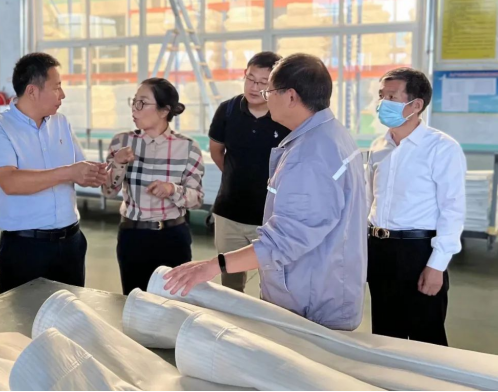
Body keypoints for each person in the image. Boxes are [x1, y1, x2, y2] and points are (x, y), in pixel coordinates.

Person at [164, 54, 368, 331]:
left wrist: (214, 265)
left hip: (309, 304)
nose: (264, 96)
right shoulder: (330, 135)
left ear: (291, 96)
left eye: (269, 90)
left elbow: (286, 240)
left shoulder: (309, 157)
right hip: (324, 284)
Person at [0, 52, 108, 294]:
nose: (63, 94)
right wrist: (68, 172)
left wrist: (107, 168)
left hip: (71, 244)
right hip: (26, 249)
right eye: (57, 87)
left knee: (70, 313)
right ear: (32, 91)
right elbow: (10, 182)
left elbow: (81, 171)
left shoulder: (61, 123)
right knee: (25, 316)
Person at [366, 68, 467, 346]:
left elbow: (452, 210)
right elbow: (369, 200)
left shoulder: (441, 148)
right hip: (380, 249)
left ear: (416, 105)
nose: (382, 103)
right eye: (381, 96)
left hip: (418, 251)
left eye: (391, 97)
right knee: (385, 336)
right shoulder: (378, 146)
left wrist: (437, 265)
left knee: (426, 338)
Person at [102, 78, 205, 296]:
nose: (134, 108)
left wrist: (172, 190)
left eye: (142, 102)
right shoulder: (121, 142)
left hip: (172, 237)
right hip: (132, 236)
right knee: (134, 299)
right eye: (134, 101)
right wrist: (118, 163)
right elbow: (108, 191)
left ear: (164, 111)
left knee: (174, 303)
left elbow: (197, 199)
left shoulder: (188, 147)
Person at [209, 52, 291, 292]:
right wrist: (239, 176)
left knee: (274, 283)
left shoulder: (284, 116)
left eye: (263, 82)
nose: (254, 88)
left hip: (270, 217)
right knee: (230, 284)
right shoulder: (227, 110)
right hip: (229, 214)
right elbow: (217, 152)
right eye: (250, 79)